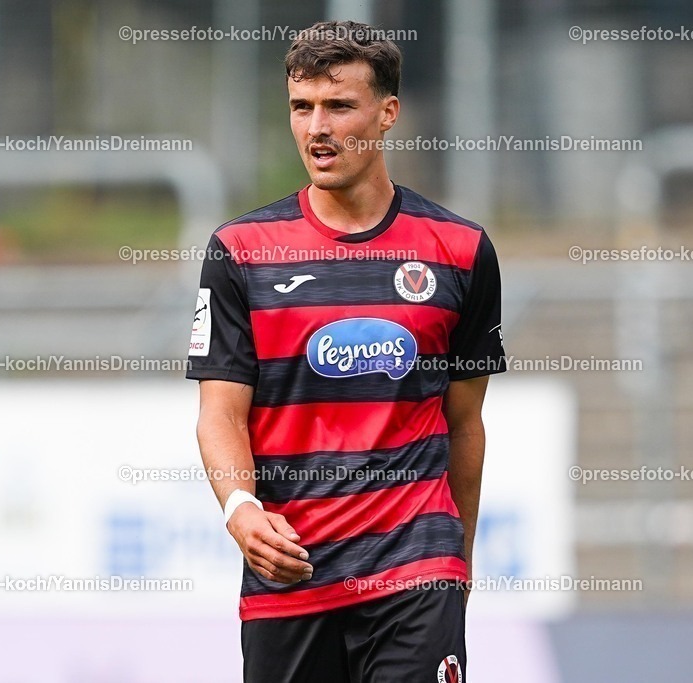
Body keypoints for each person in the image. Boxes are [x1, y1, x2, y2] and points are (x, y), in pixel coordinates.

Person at [186, 19, 506, 683]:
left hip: (416, 564)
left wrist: (459, 560)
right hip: (292, 568)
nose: (317, 128)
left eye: (339, 106)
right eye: (302, 108)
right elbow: (220, 413)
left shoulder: (461, 251)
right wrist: (239, 508)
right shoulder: (240, 252)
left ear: (388, 113)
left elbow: (465, 423)